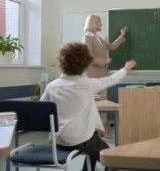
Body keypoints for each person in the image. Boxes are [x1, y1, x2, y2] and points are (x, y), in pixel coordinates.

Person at [40, 42, 137, 171]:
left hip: (57, 139)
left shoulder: (52, 86)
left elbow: (41, 110)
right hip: (80, 139)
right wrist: (126, 68)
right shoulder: (87, 84)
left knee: (92, 140)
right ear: (86, 64)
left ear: (61, 62)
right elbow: (112, 80)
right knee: (112, 159)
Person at [82, 14, 127, 138]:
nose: (101, 25)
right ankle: (96, 130)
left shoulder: (98, 38)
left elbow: (112, 46)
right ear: (93, 23)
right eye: (99, 23)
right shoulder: (87, 38)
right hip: (93, 76)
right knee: (95, 105)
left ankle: (102, 130)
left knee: (103, 103)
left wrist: (122, 36)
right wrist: (104, 61)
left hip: (101, 75)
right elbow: (88, 58)